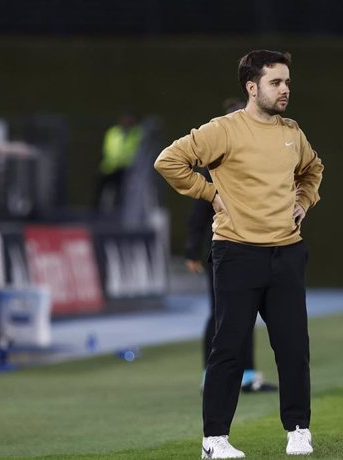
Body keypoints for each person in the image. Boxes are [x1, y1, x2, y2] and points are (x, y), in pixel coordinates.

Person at [155, 50, 323, 458]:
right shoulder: (223, 130)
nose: (285, 89)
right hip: (236, 254)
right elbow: (169, 161)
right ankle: (214, 440)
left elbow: (313, 168)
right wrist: (209, 193)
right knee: (228, 348)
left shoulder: (291, 132)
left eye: (286, 82)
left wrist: (305, 198)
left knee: (293, 348)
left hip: (286, 253)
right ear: (252, 87)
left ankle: (298, 429)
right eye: (276, 83)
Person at [186, 99, 277, 394]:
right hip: (224, 251)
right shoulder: (215, 167)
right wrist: (192, 250)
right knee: (221, 315)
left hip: (254, 248)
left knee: (246, 313)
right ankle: (208, 375)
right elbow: (199, 211)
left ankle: (247, 375)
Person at [95, 112, 143, 212]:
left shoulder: (136, 133)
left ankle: (117, 210)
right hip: (110, 166)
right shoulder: (113, 132)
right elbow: (108, 149)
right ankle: (96, 210)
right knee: (100, 188)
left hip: (125, 168)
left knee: (121, 191)